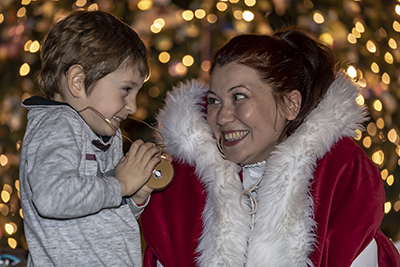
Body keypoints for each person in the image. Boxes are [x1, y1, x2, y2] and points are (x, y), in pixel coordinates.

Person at [141, 29, 400, 266]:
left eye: (239, 96)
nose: (221, 117)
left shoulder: (339, 183)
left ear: (290, 104)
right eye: (214, 100)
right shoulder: (180, 193)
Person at [19, 10, 161, 266]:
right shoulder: (57, 126)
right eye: (126, 90)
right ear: (78, 82)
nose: (132, 106)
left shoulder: (106, 131)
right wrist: (120, 185)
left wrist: (134, 196)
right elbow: (52, 197)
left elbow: (104, 215)